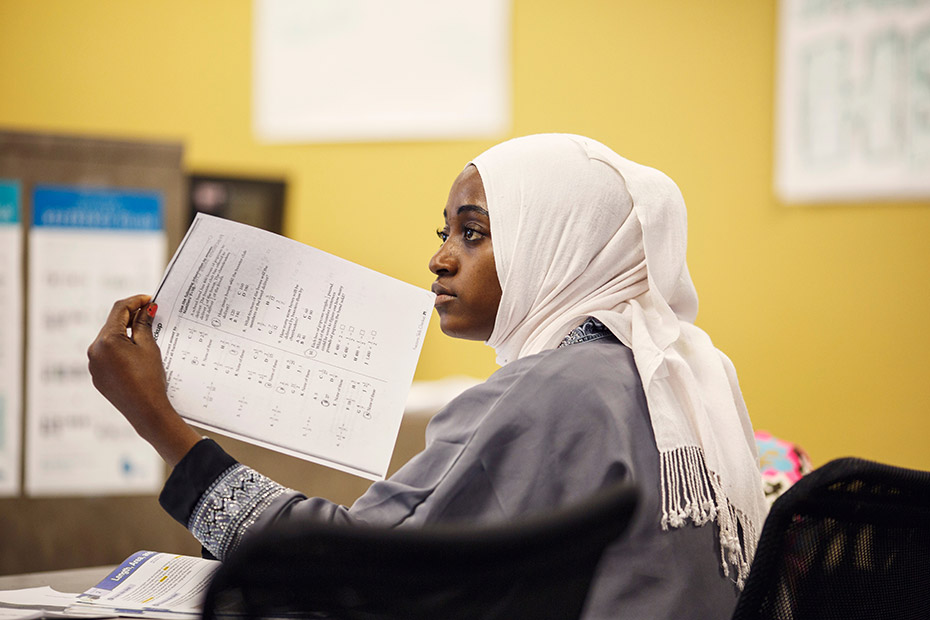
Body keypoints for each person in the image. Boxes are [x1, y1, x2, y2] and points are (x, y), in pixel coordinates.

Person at [88, 133, 767, 619]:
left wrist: (161, 424)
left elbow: (349, 570)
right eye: (444, 232)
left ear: (558, 245)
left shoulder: (551, 394)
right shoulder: (679, 376)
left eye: (473, 233)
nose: (440, 258)